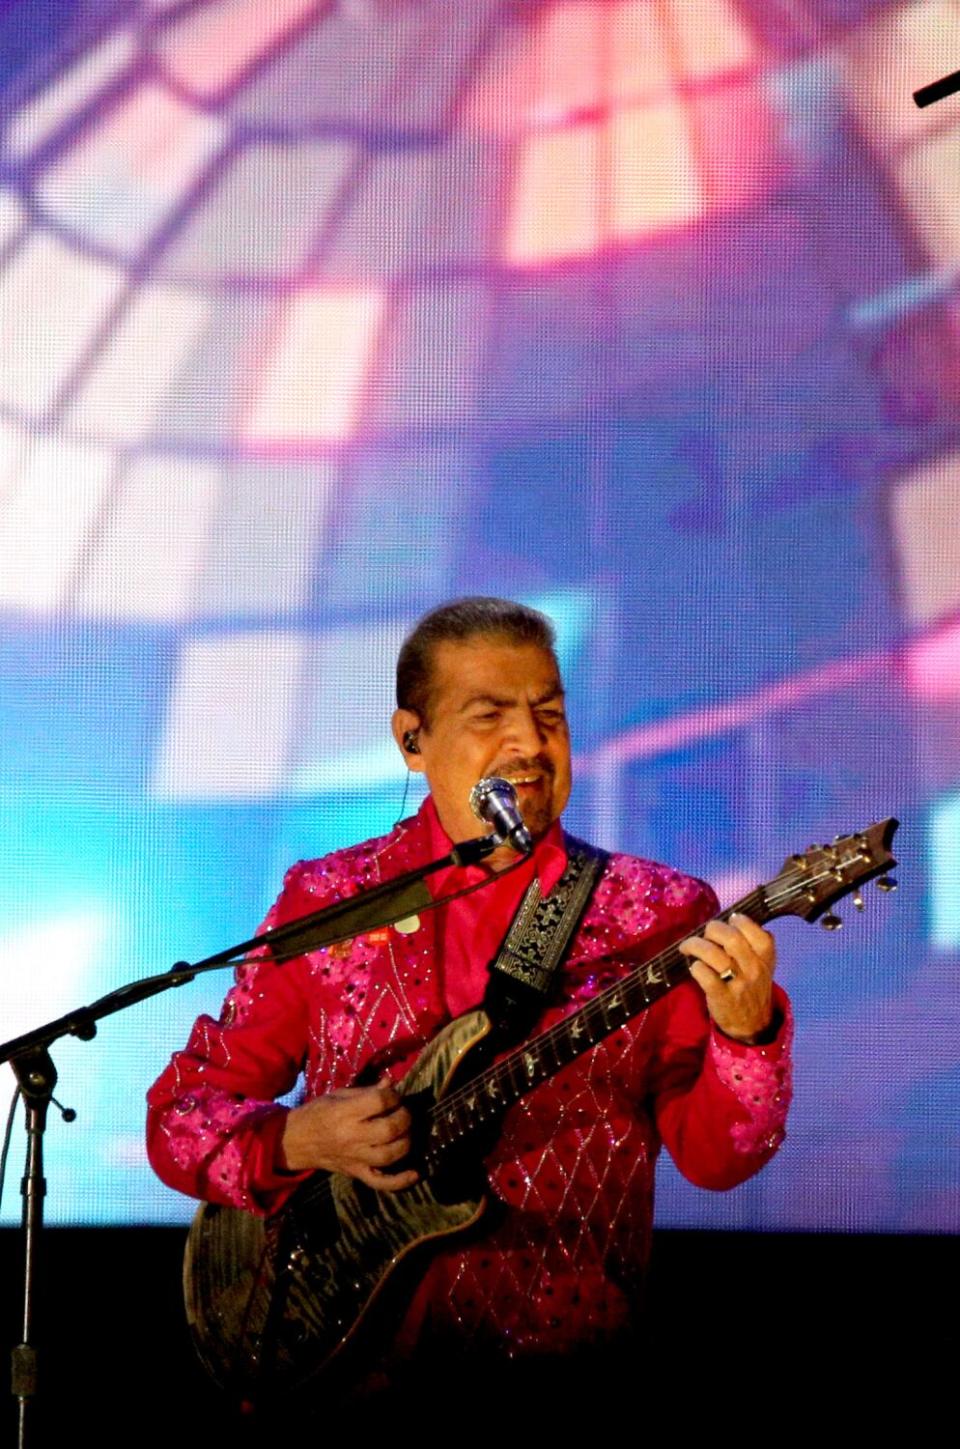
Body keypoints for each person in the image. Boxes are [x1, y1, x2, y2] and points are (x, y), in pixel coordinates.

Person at [146, 597, 791, 1411]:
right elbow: (181, 1116)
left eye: (548, 715)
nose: (529, 743)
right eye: (490, 715)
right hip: (336, 1368)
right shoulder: (332, 901)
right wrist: (296, 1137)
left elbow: (718, 1159)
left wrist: (748, 1037)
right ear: (411, 738)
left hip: (566, 1376)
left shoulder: (656, 912)